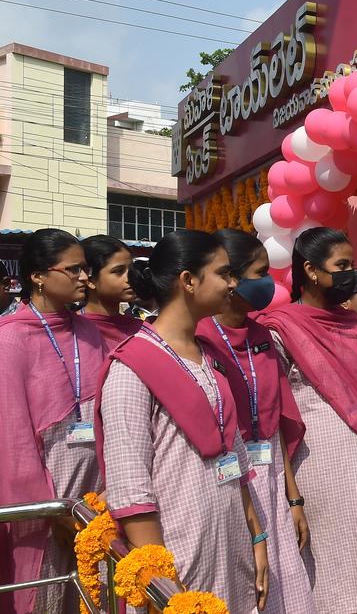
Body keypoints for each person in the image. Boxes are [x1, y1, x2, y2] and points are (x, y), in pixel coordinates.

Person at [96, 229, 268, 612]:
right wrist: (164, 586)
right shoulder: (131, 368)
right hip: (178, 556)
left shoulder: (208, 356)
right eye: (224, 273)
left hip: (229, 544)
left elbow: (236, 462)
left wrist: (257, 539)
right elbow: (130, 488)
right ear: (188, 281)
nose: (233, 283)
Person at [259, 227, 357, 614]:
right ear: (311, 270)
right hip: (316, 461)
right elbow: (275, 415)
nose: (349, 274)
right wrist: (290, 493)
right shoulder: (279, 328)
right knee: (330, 564)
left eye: (351, 265)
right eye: (341, 266)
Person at [196, 229, 316, 614]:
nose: (268, 282)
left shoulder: (263, 334)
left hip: (271, 476)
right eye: (260, 272)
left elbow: (279, 421)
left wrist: (293, 498)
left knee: (284, 581)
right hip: (227, 479)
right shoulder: (199, 338)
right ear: (230, 279)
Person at [0, 229, 105, 614]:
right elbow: (13, 443)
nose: (84, 277)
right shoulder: (10, 340)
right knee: (47, 597)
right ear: (39, 276)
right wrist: (51, 511)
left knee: (97, 596)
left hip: (97, 496)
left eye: (86, 269)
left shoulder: (90, 332)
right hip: (44, 500)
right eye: (74, 269)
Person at [80, 234, 142, 347]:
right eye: (118, 271)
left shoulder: (140, 329)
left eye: (131, 270)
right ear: (90, 280)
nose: (130, 278)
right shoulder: (73, 329)